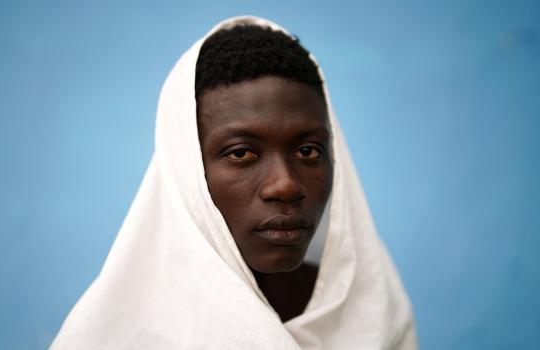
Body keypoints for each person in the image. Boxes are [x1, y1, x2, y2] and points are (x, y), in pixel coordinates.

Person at [51, 16, 417, 349]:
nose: (286, 186)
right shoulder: (113, 335)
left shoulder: (371, 307)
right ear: (189, 169)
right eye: (241, 153)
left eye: (307, 151)